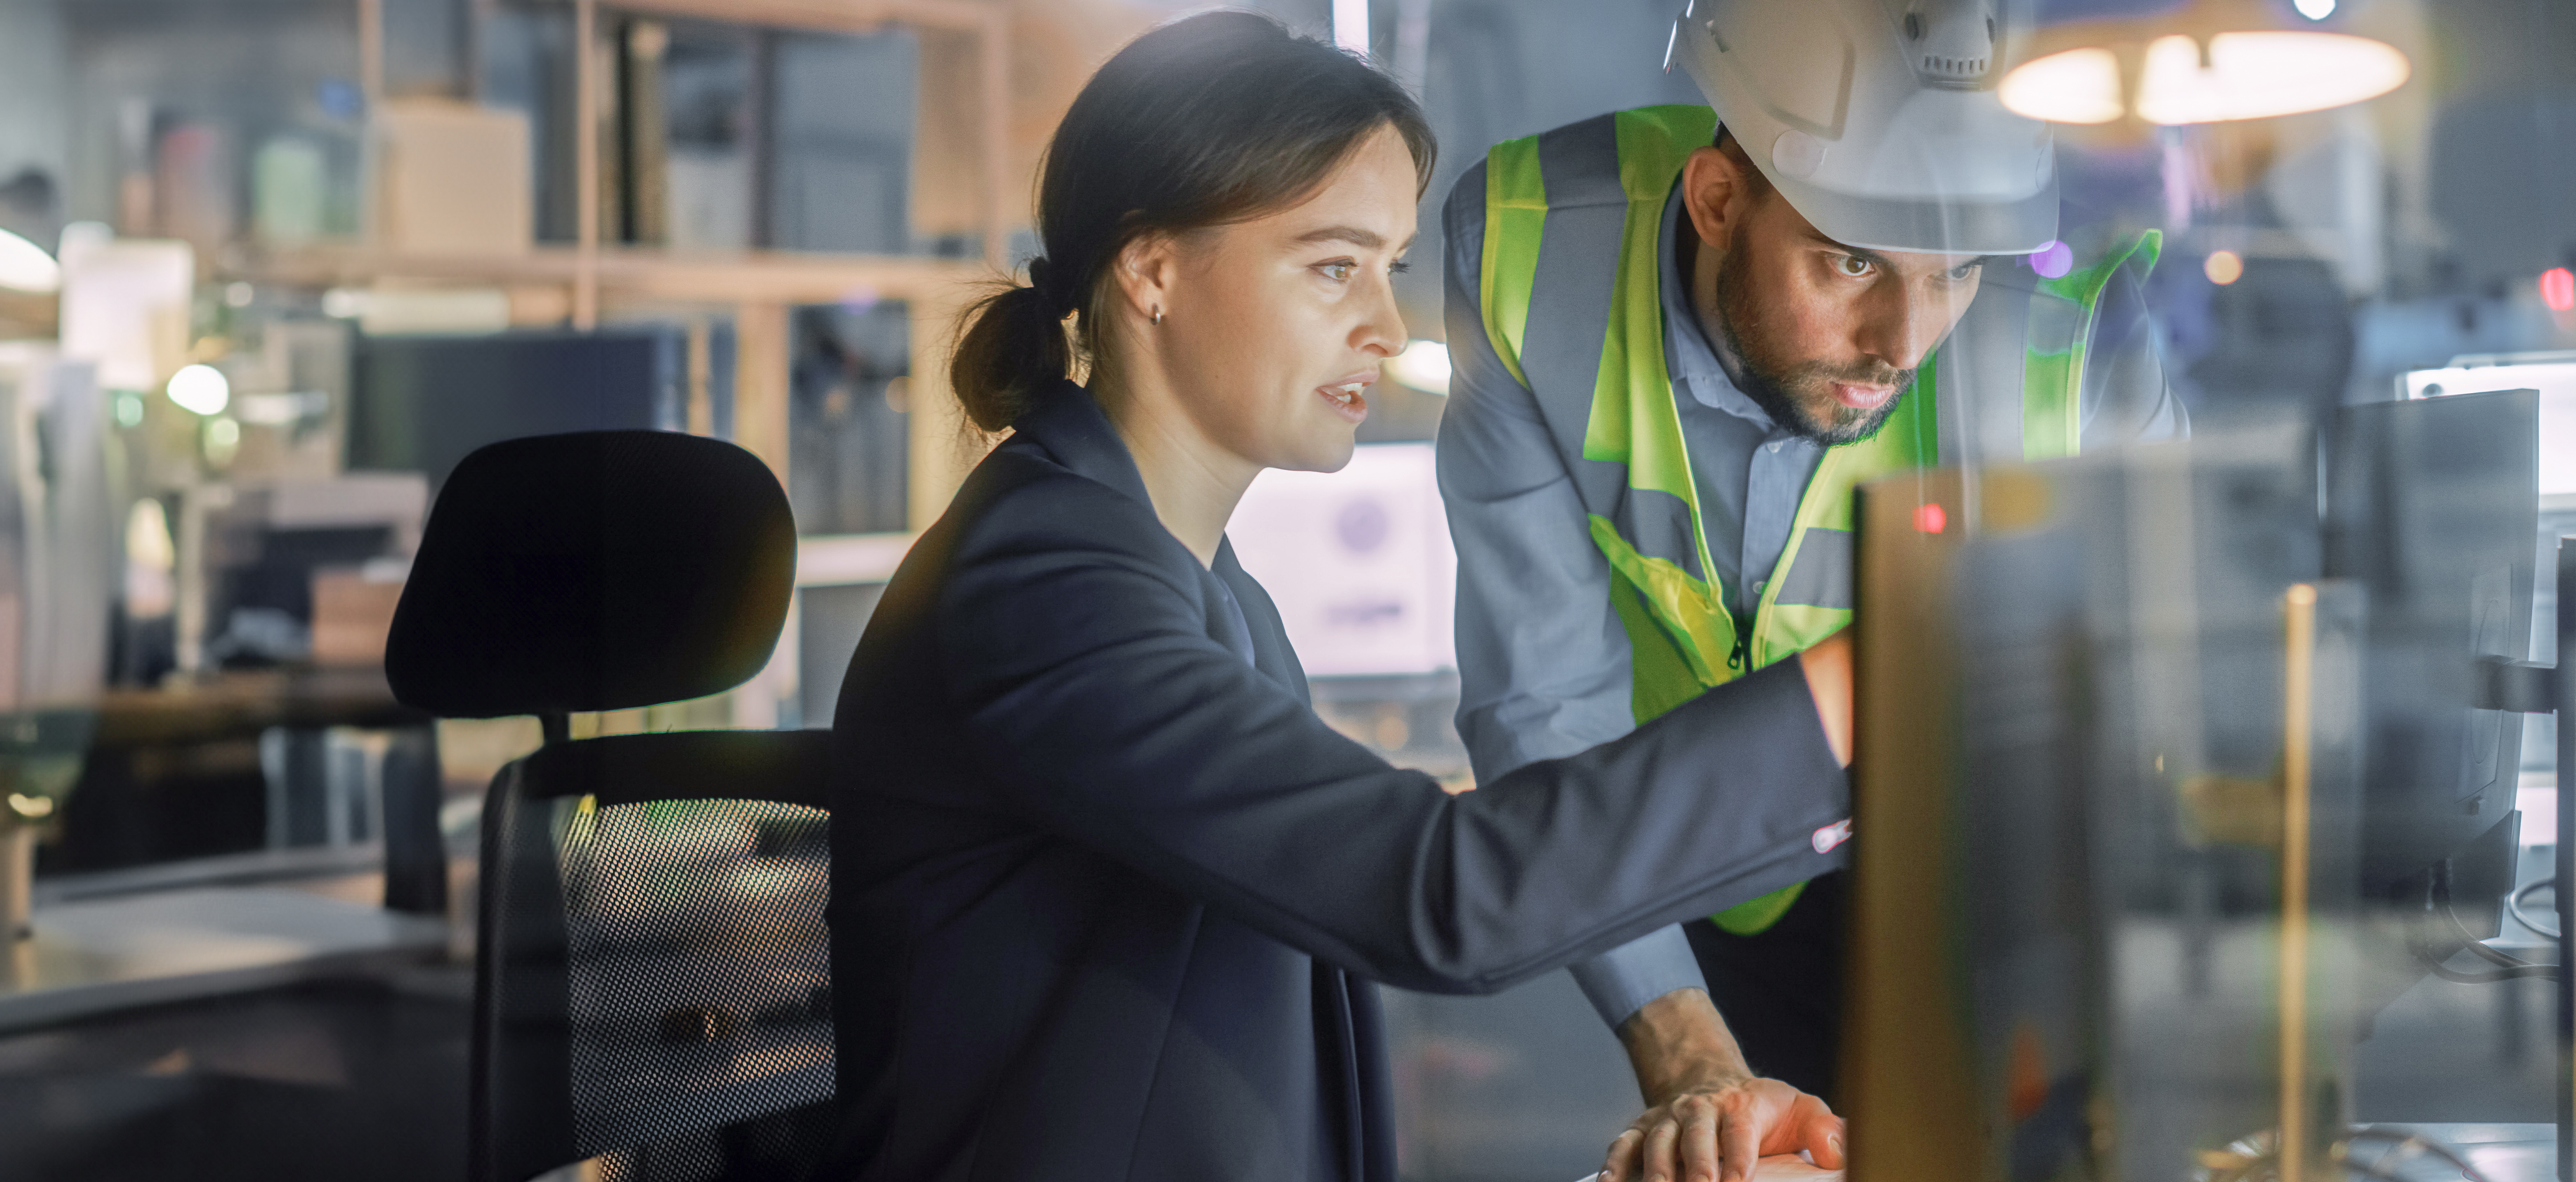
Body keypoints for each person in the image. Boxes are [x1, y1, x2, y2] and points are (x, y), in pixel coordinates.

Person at [822, 13, 1860, 1181]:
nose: (1385, 327)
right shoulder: (1044, 585)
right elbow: (1440, 895)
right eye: (1332, 267)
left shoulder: (1203, 586)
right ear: (1152, 270)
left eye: (1391, 268)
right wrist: (1845, 701)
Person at [1436, 1, 2180, 1175]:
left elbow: (2166, 687)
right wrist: (1689, 1054)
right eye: (1852, 261)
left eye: (1955, 272)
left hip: (1980, 869)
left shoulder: (2078, 309)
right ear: (1716, 201)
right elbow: (1542, 696)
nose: (1904, 341)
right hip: (1671, 858)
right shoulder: (1529, 249)